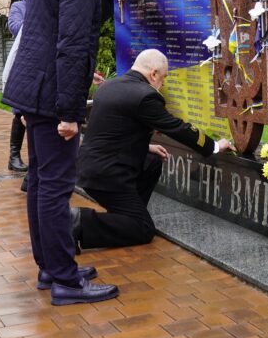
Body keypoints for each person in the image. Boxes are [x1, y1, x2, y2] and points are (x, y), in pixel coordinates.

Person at [2, 0, 129, 306]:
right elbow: (72, 46)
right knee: (55, 188)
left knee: (41, 183)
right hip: (52, 97)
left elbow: (48, 35)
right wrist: (70, 114)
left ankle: (50, 267)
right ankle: (65, 280)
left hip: (35, 89)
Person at [73, 49, 233, 252]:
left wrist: (146, 146)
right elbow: (177, 128)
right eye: (163, 77)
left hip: (91, 166)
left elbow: (110, 132)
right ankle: (78, 221)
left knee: (152, 161)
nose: (163, 83)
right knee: (143, 228)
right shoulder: (145, 95)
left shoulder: (109, 86)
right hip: (107, 174)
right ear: (154, 73)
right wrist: (215, 146)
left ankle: (130, 213)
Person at [5, 0, 28, 174]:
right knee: (20, 109)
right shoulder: (18, 6)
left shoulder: (49, 4)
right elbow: (13, 26)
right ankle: (14, 156)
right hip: (23, 61)